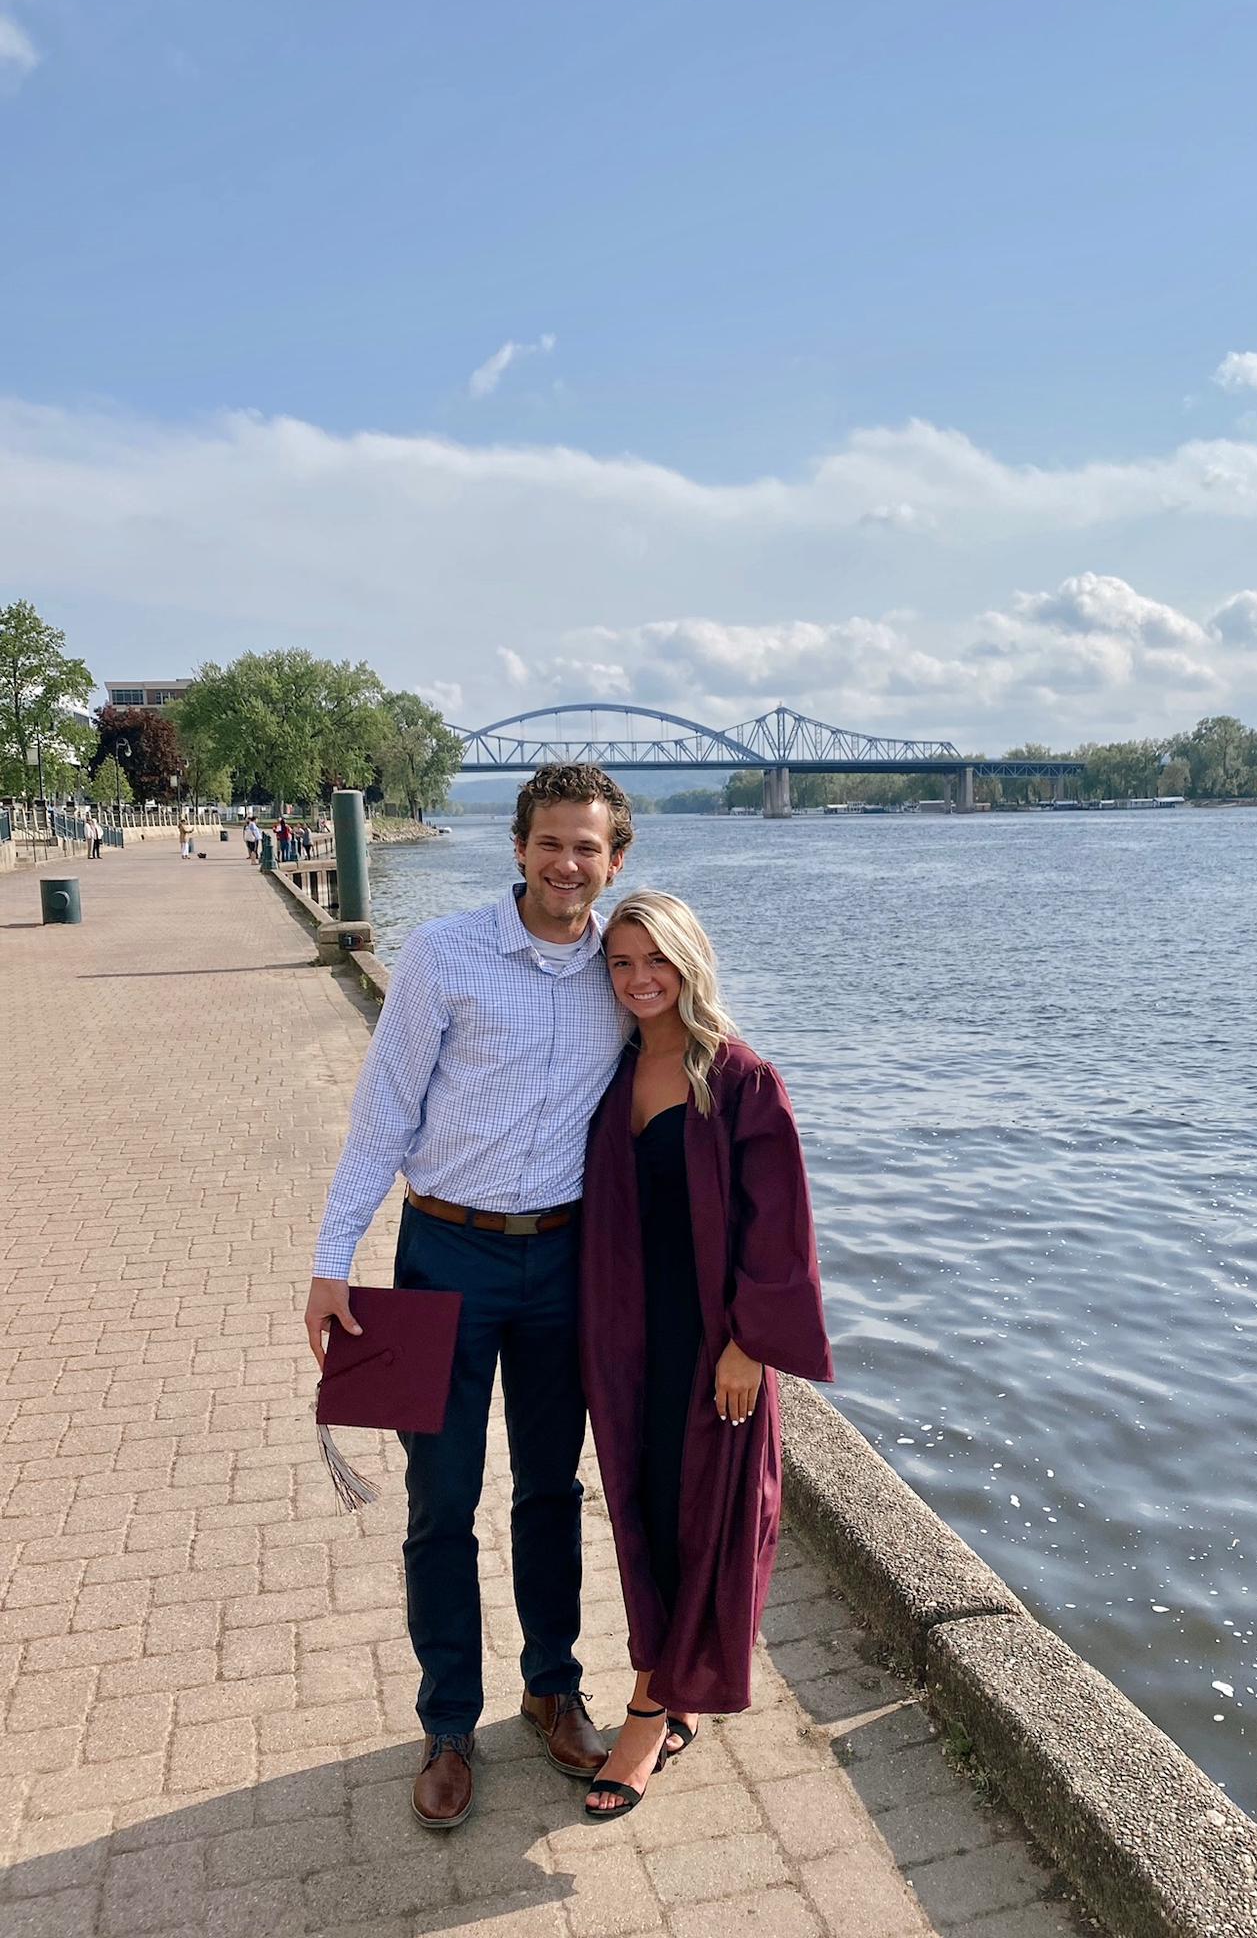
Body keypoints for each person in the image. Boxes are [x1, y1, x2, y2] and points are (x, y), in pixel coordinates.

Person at [304, 763, 635, 1831]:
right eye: (551, 842)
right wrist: (331, 1258)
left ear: (616, 859)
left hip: (566, 1261)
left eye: (589, 847)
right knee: (441, 1497)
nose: (567, 864)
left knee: (550, 1486)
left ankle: (552, 1682)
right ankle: (449, 1718)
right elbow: (382, 1115)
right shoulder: (445, 955)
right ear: (519, 845)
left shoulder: (624, 974)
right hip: (444, 1252)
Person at [579, 891, 833, 1822]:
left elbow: (781, 1229)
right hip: (627, 1342)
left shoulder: (739, 1080)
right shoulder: (610, 1071)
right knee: (645, 1513)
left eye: (658, 961)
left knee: (708, 1525)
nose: (640, 980)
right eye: (621, 963)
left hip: (710, 1348)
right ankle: (670, 1687)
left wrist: (748, 1348)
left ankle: (649, 1711)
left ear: (691, 961)